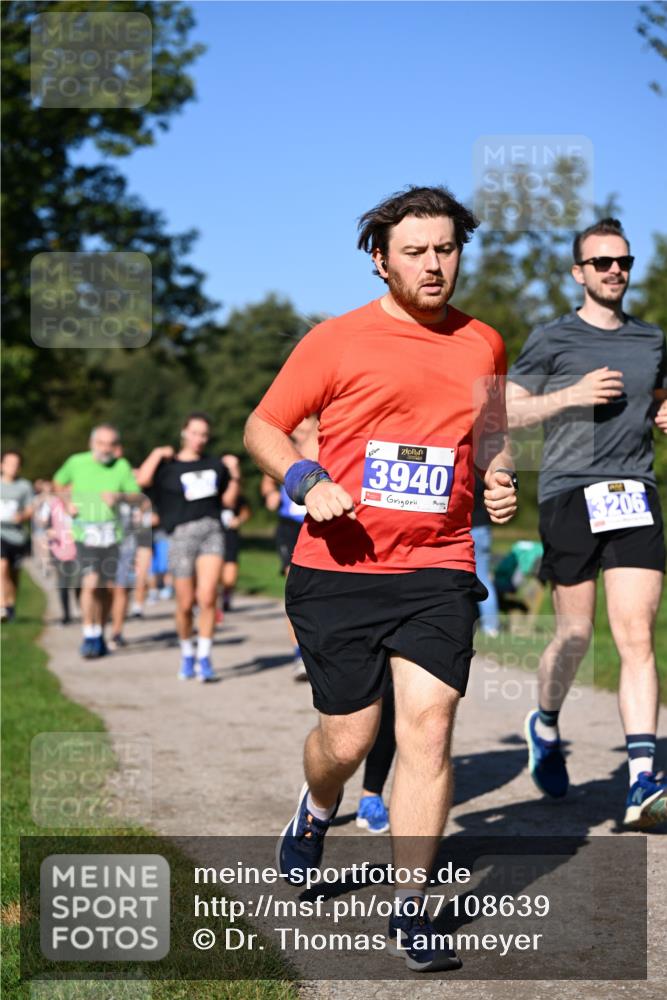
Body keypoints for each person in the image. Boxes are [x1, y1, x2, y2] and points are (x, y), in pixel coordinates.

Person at [245, 185, 517, 972]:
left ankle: (411, 908)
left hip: (437, 565)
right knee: (348, 739)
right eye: (415, 251)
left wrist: (498, 477)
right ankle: (316, 806)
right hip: (339, 566)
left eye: (446, 249)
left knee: (428, 730)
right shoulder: (335, 340)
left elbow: (490, 435)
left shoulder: (483, 343)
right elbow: (262, 426)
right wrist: (305, 480)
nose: (434, 265)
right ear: (379, 260)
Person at [506, 217, 667, 829]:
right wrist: (569, 395)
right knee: (575, 635)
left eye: (622, 261)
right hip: (569, 493)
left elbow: (658, 396)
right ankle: (545, 724)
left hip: (634, 492)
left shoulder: (651, 339)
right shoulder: (553, 337)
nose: (614, 271)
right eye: (601, 262)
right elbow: (505, 410)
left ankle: (641, 779)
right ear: (579, 272)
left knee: (636, 635)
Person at [136, 413, 239, 682]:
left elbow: (229, 501)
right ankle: (187, 652)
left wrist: (235, 473)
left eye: (204, 434)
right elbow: (142, 481)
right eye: (194, 433)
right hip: (180, 535)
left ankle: (204, 656)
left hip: (211, 531)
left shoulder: (215, 464)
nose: (199, 439)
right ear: (184, 432)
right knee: (184, 603)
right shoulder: (168, 466)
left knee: (208, 597)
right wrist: (157, 453)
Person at [53, 426, 140, 658]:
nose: (106, 449)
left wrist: (119, 496)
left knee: (105, 588)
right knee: (90, 582)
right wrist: (67, 503)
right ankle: (88, 634)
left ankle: (99, 632)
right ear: (92, 443)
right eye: (101, 443)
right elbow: (58, 482)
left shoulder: (121, 466)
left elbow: (135, 495)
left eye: (111, 444)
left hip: (112, 535)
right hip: (84, 533)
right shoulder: (76, 462)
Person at [261, 416, 319, 680]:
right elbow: (267, 480)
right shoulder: (281, 448)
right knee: (294, 588)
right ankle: (299, 654)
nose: (301, 425)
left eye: (307, 420)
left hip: (318, 522)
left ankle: (320, 649)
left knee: (319, 590)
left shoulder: (325, 444)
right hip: (290, 526)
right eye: (298, 421)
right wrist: (270, 493)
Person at [0, 450, 34, 622]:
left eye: (16, 464)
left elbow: (30, 509)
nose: (12, 467)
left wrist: (22, 516)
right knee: (2, 566)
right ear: (2, 465)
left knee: (14, 574)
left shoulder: (24, 486)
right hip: (1, 533)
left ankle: (11, 605)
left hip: (17, 536)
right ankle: (2, 605)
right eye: (9, 463)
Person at [219, 456, 251, 615]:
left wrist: (239, 520)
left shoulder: (237, 491)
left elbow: (245, 511)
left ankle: (226, 596)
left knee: (230, 573)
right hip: (213, 533)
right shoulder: (212, 488)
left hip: (230, 535)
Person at [471, 475, 500, 637]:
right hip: (483, 529)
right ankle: (491, 626)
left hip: (468, 528)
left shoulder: (465, 471)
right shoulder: (484, 470)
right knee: (484, 578)